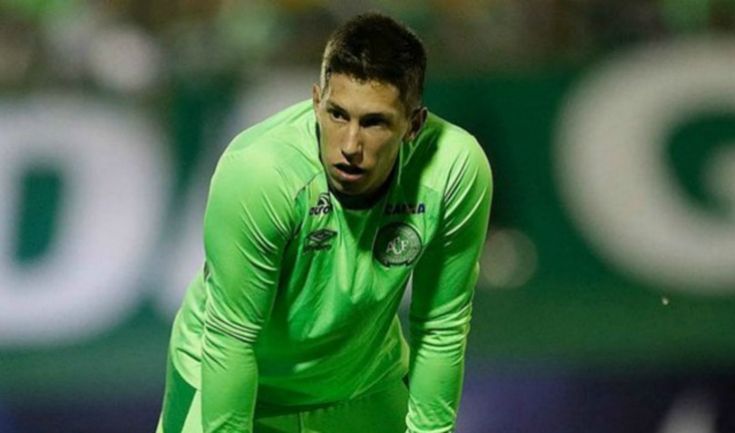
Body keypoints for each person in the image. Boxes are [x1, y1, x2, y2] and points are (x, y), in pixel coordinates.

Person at [156, 12, 492, 433]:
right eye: (337, 115)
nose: (350, 145)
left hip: (362, 385)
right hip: (236, 382)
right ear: (316, 101)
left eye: (374, 122)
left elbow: (441, 325)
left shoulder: (453, 170)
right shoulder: (260, 172)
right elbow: (231, 339)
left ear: (414, 124)